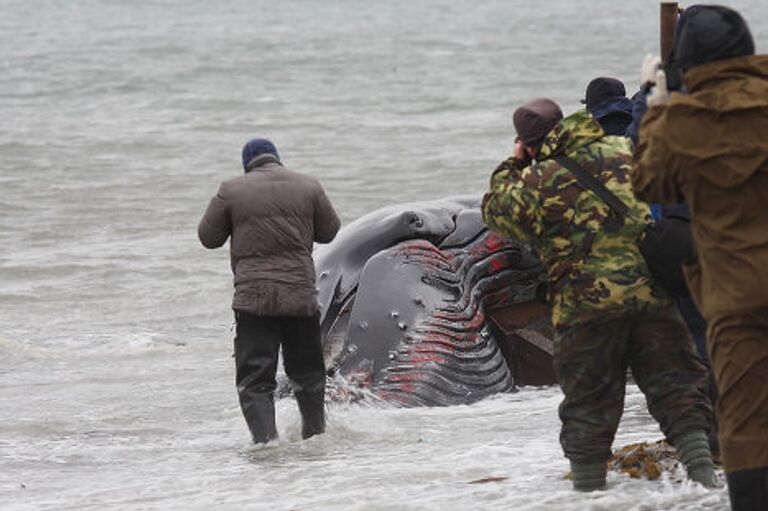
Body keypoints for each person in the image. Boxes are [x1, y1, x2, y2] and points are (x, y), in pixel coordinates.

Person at [482, 98, 716, 491]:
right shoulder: (626, 151)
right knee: (679, 395)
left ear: (528, 143)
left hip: (585, 309)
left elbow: (496, 212)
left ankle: (591, 498)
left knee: (588, 410)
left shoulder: (537, 180)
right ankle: (708, 488)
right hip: (651, 297)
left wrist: (513, 164)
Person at [630, 5, 768, 508]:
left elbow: (651, 182)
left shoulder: (685, 124)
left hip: (735, 295)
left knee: (746, 422)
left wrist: (655, 107)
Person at [198, 138, 340, 444]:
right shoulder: (309, 186)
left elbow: (208, 238)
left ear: (247, 163)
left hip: (254, 301)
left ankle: (266, 444)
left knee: (255, 381)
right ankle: (315, 440)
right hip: (299, 296)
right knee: (308, 376)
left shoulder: (231, 190)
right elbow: (330, 231)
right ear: (276, 158)